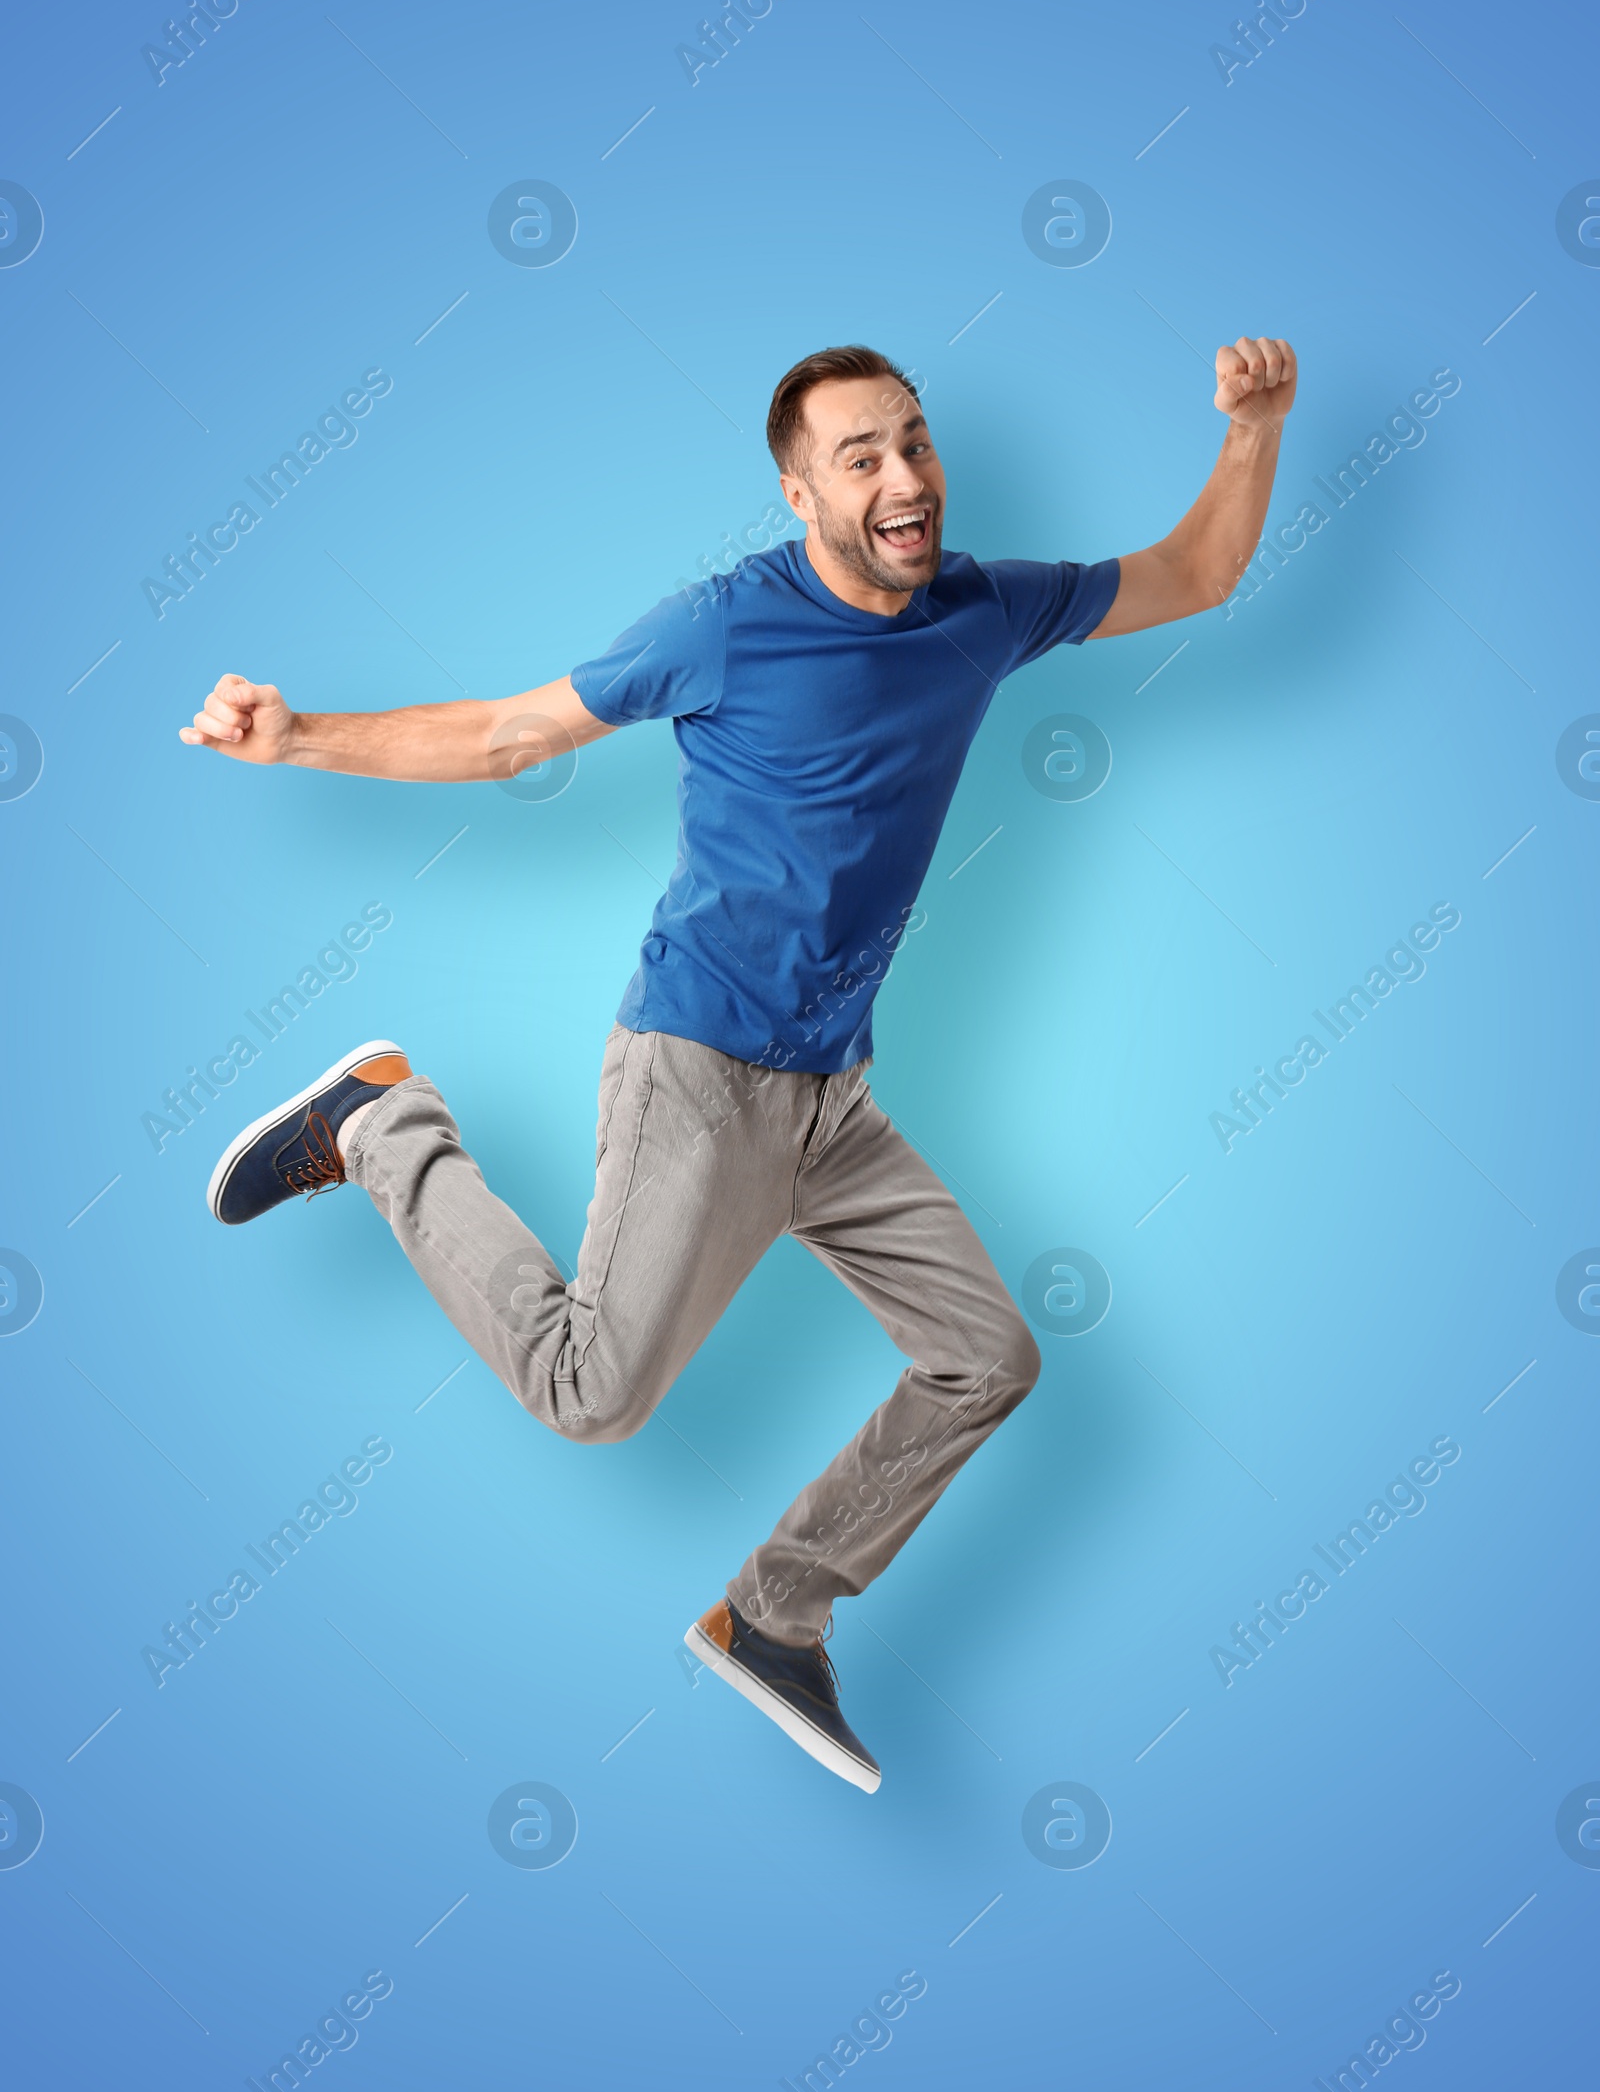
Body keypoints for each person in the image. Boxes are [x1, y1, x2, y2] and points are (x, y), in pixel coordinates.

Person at [180, 338, 1297, 1791]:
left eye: (915, 442)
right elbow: (511, 733)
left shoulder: (984, 610)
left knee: (988, 1355)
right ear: (798, 493)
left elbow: (1196, 573)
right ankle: (385, 1119)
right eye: (862, 457)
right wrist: (302, 736)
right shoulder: (724, 627)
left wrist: (1255, 428)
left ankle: (775, 1614)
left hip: (833, 1097)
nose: (905, 478)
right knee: (592, 1392)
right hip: (698, 1068)